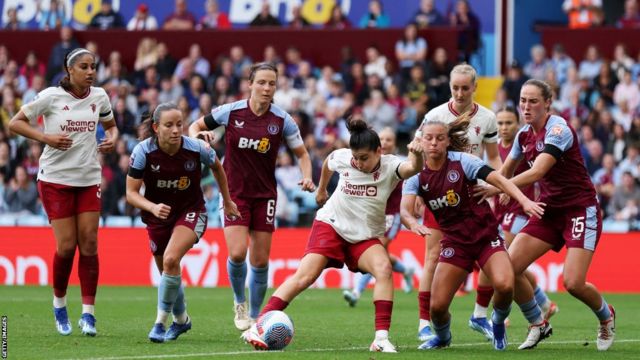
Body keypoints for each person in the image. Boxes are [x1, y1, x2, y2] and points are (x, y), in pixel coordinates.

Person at [244, 118, 426, 353]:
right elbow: (329, 162)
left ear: (379, 151)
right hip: (331, 224)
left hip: (363, 236)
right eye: (356, 158)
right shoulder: (344, 157)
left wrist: (418, 154)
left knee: (383, 269)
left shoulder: (391, 166)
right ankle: (259, 325)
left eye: (364, 158)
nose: (358, 163)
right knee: (305, 276)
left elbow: (414, 168)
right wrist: (321, 190)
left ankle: (380, 339)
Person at [475, 79, 616, 351]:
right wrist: (492, 186)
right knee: (507, 269)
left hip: (580, 209)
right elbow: (505, 171)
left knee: (573, 283)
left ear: (547, 103)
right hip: (548, 209)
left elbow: (537, 172)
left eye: (533, 101)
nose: (526, 107)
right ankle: (537, 324)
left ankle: (606, 317)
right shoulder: (523, 135)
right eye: (522, 101)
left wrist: (498, 190)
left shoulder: (559, 129)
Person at [188, 62, 315, 331]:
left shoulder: (282, 120)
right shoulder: (231, 112)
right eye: (262, 82)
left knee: (259, 260)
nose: (267, 88)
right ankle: (239, 302)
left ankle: (257, 317)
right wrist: (201, 136)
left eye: (272, 83)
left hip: (265, 195)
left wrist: (307, 176)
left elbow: (302, 154)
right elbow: (193, 127)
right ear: (250, 84)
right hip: (233, 192)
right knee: (236, 253)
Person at [402, 114, 544, 350]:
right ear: (421, 142)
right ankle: (443, 337)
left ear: (448, 141)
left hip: (486, 237)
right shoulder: (416, 175)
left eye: (439, 138)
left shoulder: (463, 162)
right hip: (455, 243)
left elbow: (498, 178)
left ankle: (497, 322)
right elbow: (405, 210)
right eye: (429, 138)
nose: (434, 143)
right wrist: (411, 222)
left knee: (506, 285)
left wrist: (524, 201)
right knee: (436, 308)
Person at [9, 47, 119, 336]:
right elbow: (15, 122)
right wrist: (46, 137)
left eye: (93, 66)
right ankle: (59, 304)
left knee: (91, 244)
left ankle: (89, 314)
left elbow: (111, 126)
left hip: (88, 178)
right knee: (67, 246)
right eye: (84, 67)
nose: (91, 71)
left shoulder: (100, 96)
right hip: (55, 180)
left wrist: (112, 138)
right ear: (70, 70)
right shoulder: (50, 97)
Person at [125, 103, 240, 342]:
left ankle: (159, 323)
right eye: (169, 125)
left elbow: (218, 168)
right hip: (158, 217)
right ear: (156, 128)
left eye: (180, 124)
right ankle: (182, 320)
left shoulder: (198, 148)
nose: (176, 130)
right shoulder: (142, 152)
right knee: (169, 270)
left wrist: (227, 201)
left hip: (191, 211)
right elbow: (131, 193)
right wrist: (152, 207)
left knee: (170, 259)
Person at [412, 63, 502, 342]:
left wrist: (498, 184)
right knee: (432, 257)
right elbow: (416, 151)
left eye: (465, 88)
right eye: (455, 88)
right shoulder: (435, 115)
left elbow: (494, 156)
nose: (460, 93)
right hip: (439, 194)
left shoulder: (487, 118)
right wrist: (415, 191)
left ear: (475, 87)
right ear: (450, 87)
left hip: (472, 196)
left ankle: (479, 314)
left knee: (487, 255)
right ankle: (424, 323)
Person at [494, 107, 558, 319]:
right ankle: (544, 303)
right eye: (500, 123)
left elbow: (534, 175)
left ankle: (502, 313)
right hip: (501, 210)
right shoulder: (494, 150)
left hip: (520, 210)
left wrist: (507, 188)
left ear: (517, 123)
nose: (504, 128)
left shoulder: (524, 146)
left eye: (508, 123)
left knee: (503, 261)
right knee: (512, 264)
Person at [342, 127, 415, 307]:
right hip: (372, 214)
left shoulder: (400, 163)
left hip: (391, 215)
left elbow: (414, 182)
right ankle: (406, 270)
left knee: (374, 249)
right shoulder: (366, 163)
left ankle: (356, 292)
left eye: (389, 139)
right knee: (379, 255)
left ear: (395, 143)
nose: (385, 142)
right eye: (382, 138)